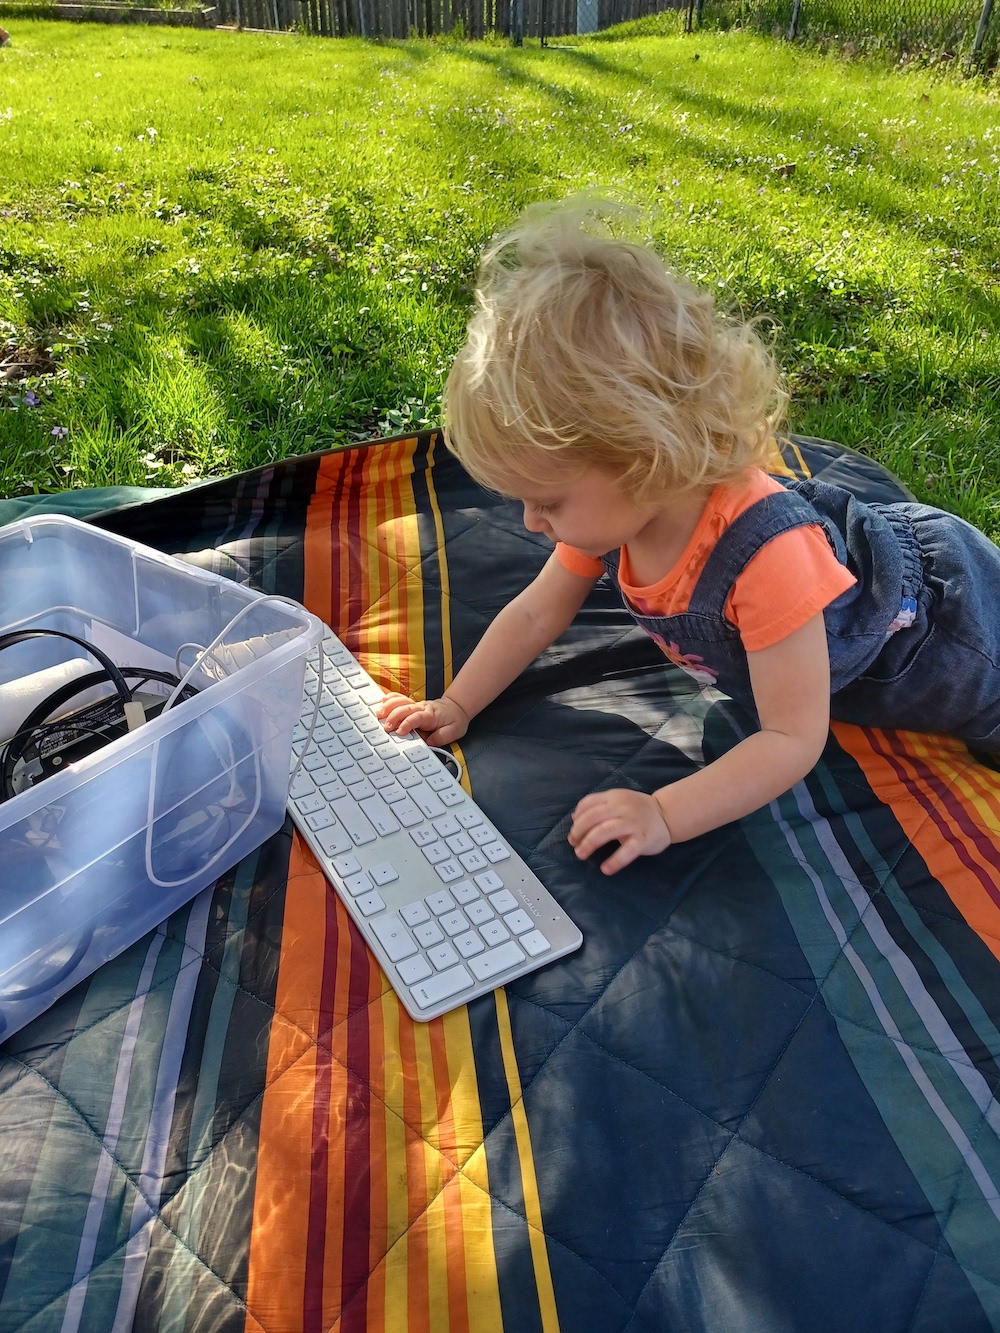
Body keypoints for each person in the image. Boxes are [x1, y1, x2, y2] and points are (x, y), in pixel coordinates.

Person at [376, 199, 1000, 875]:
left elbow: (792, 737)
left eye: (547, 500)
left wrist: (665, 813)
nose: (530, 522)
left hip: (948, 638)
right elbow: (534, 611)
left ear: (644, 461)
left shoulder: (768, 557)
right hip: (839, 633)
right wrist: (457, 702)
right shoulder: (618, 513)